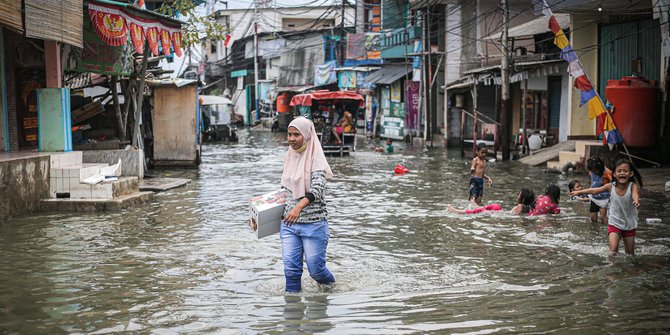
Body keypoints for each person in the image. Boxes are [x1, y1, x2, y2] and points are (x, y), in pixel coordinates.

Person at [280, 117, 335, 292]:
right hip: (289, 225)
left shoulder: (315, 159)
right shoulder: (289, 157)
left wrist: (298, 207)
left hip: (314, 225)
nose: (292, 139)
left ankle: (330, 291)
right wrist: (258, 216)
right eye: (289, 134)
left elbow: (318, 187)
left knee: (316, 271)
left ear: (307, 135)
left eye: (297, 135)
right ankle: (292, 314)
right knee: (291, 271)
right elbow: (284, 193)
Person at [570, 159, 643, 257]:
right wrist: (579, 192)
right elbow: (595, 190)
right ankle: (611, 269)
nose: (622, 173)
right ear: (614, 174)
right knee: (613, 251)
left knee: (630, 253)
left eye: (625, 171)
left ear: (631, 174)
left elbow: (635, 194)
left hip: (629, 224)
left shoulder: (632, 186)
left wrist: (636, 201)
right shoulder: (610, 186)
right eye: (619, 171)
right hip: (615, 223)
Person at [447, 187, 535, 215]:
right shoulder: (529, 208)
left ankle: (457, 211)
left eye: (519, 195)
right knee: (481, 209)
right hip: (500, 212)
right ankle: (475, 206)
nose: (517, 196)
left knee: (480, 210)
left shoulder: (520, 206)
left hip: (500, 213)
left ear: (522, 198)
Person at [587, 157, 612, 224]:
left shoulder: (607, 173)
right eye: (592, 170)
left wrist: (611, 198)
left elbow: (613, 184)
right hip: (594, 196)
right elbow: (591, 181)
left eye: (594, 170)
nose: (593, 172)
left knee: (602, 217)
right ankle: (594, 233)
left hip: (604, 198)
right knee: (593, 218)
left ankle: (606, 232)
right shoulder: (591, 172)